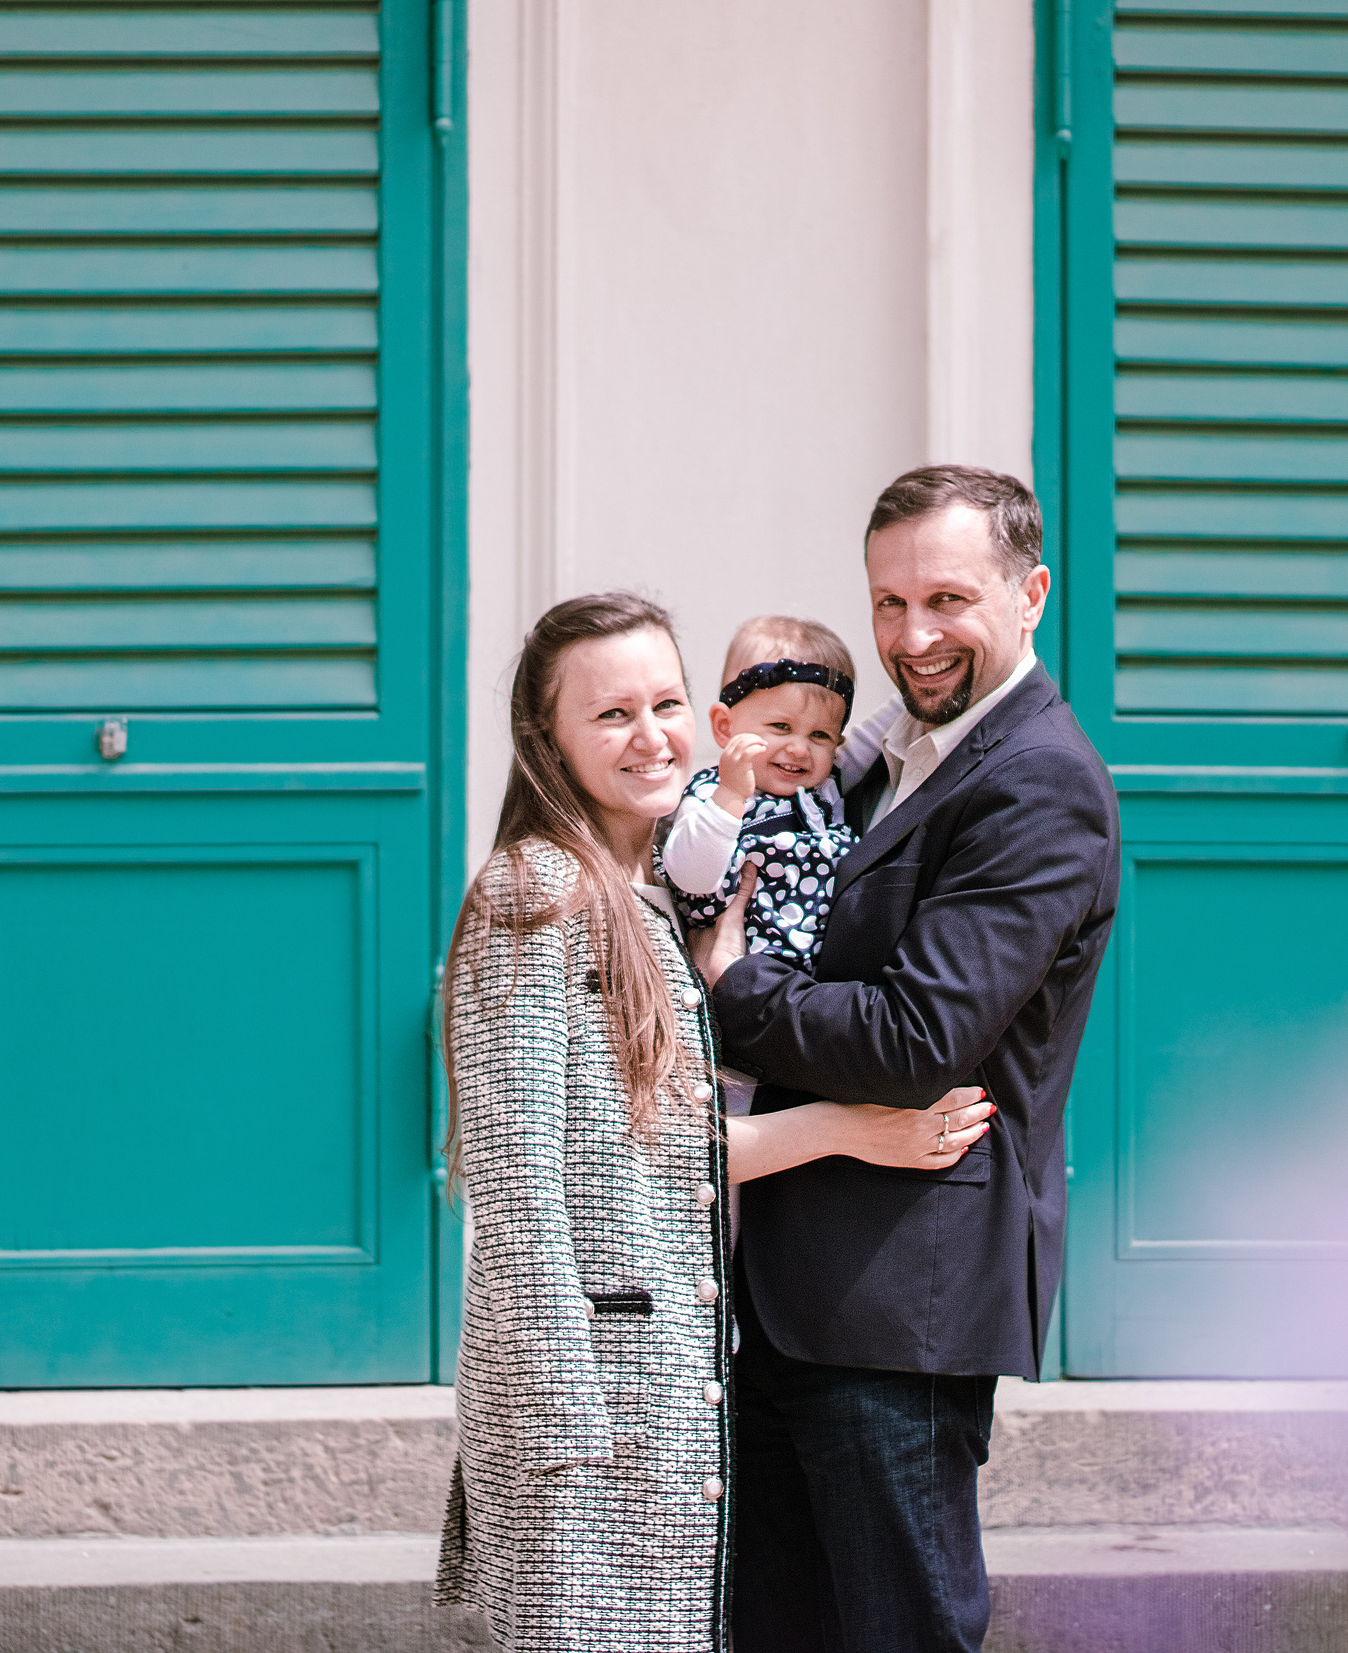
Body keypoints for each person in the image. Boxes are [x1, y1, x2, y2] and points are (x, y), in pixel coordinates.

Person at [433, 591, 997, 1653]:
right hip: (589, 1416)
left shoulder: (643, 889)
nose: (651, 737)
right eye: (610, 715)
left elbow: (643, 1152)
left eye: (668, 702)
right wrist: (564, 1427)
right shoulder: (532, 892)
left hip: (662, 1403)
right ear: (543, 738)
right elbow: (516, 1184)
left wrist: (847, 1127)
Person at [693, 467, 1122, 1653]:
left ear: (1031, 593)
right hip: (787, 1296)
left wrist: (730, 985)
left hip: (900, 1298)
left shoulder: (1040, 782)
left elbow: (914, 1037)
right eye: (887, 603)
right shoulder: (874, 756)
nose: (912, 636)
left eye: (946, 598)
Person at [658, 614, 860, 967]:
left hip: (809, 990)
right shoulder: (711, 794)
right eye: (781, 727)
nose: (799, 748)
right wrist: (731, 796)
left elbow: (889, 730)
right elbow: (690, 876)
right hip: (737, 983)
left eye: (819, 735)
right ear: (725, 726)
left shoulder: (825, 792)